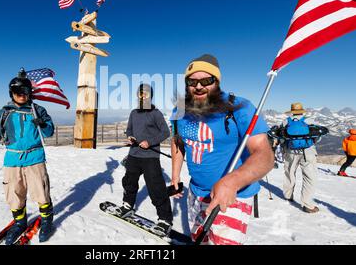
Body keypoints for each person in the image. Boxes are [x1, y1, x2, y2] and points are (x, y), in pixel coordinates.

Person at [170, 54, 274, 245]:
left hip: (233, 196)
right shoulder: (181, 110)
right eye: (192, 81)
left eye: (206, 80)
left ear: (217, 81)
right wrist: (175, 176)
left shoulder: (238, 108)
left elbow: (265, 155)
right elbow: (178, 142)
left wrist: (233, 181)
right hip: (196, 192)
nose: (198, 86)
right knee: (199, 240)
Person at [0, 70, 55, 244]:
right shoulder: (4, 113)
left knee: (41, 193)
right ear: (11, 93)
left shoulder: (38, 110)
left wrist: (43, 124)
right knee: (14, 195)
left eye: (25, 92)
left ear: (30, 93)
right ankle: (20, 223)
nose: (21, 95)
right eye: (17, 92)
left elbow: (49, 132)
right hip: (12, 159)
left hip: (35, 157)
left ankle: (46, 221)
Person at [113, 83, 173, 236]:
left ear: (150, 95)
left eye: (145, 93)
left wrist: (150, 141)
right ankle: (127, 205)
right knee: (129, 181)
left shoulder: (156, 113)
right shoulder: (134, 113)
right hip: (134, 154)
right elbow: (130, 129)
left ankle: (165, 219)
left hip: (150, 157)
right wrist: (130, 137)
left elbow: (165, 132)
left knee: (156, 187)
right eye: (140, 93)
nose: (143, 96)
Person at [281, 102, 320, 213]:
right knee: (309, 177)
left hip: (290, 151)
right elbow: (317, 137)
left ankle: (288, 195)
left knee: (289, 173)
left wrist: (285, 148)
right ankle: (307, 204)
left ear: (292, 111)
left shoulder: (285, 122)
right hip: (308, 152)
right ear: (302, 111)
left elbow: (282, 138)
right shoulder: (310, 121)